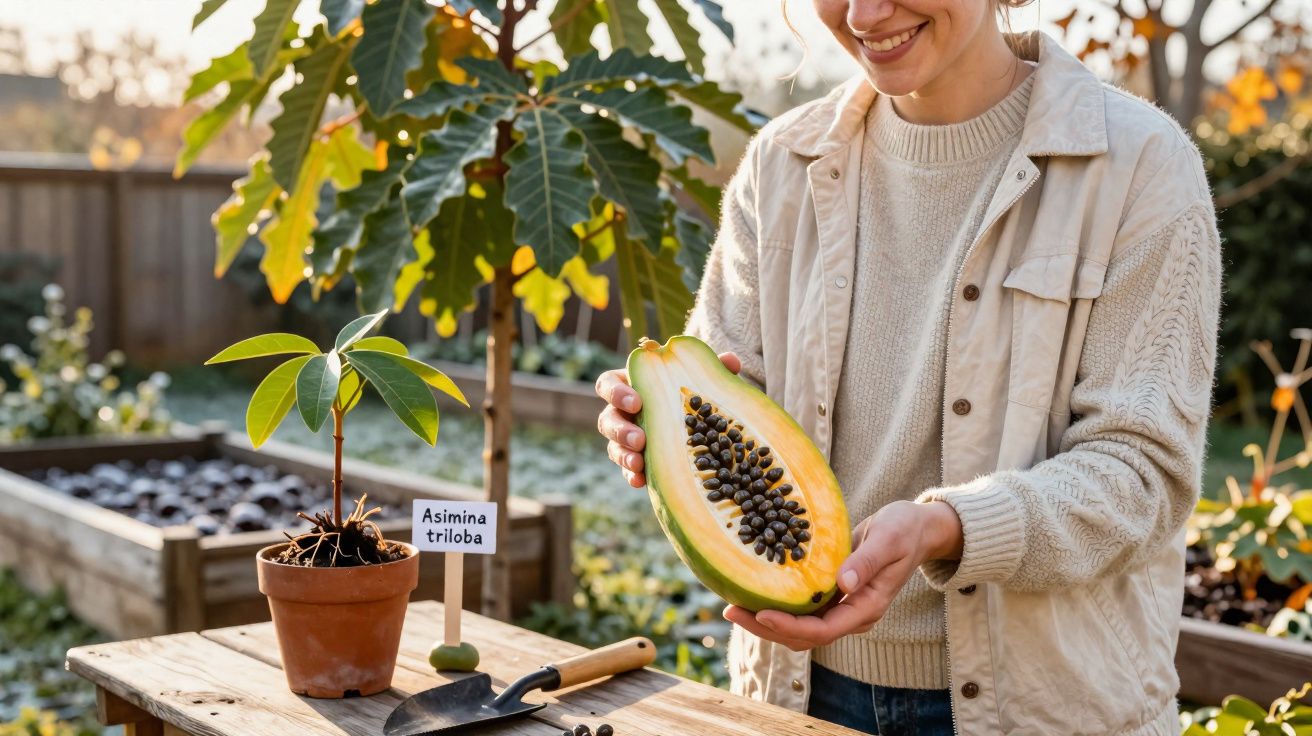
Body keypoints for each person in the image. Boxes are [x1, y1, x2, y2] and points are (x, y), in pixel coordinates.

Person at [594, 0, 1222, 733]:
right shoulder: (779, 164)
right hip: (797, 694)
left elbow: (1143, 475)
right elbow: (730, 396)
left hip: (1048, 709)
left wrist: (948, 526)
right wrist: (657, 427)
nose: (864, 13)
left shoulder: (1140, 165)